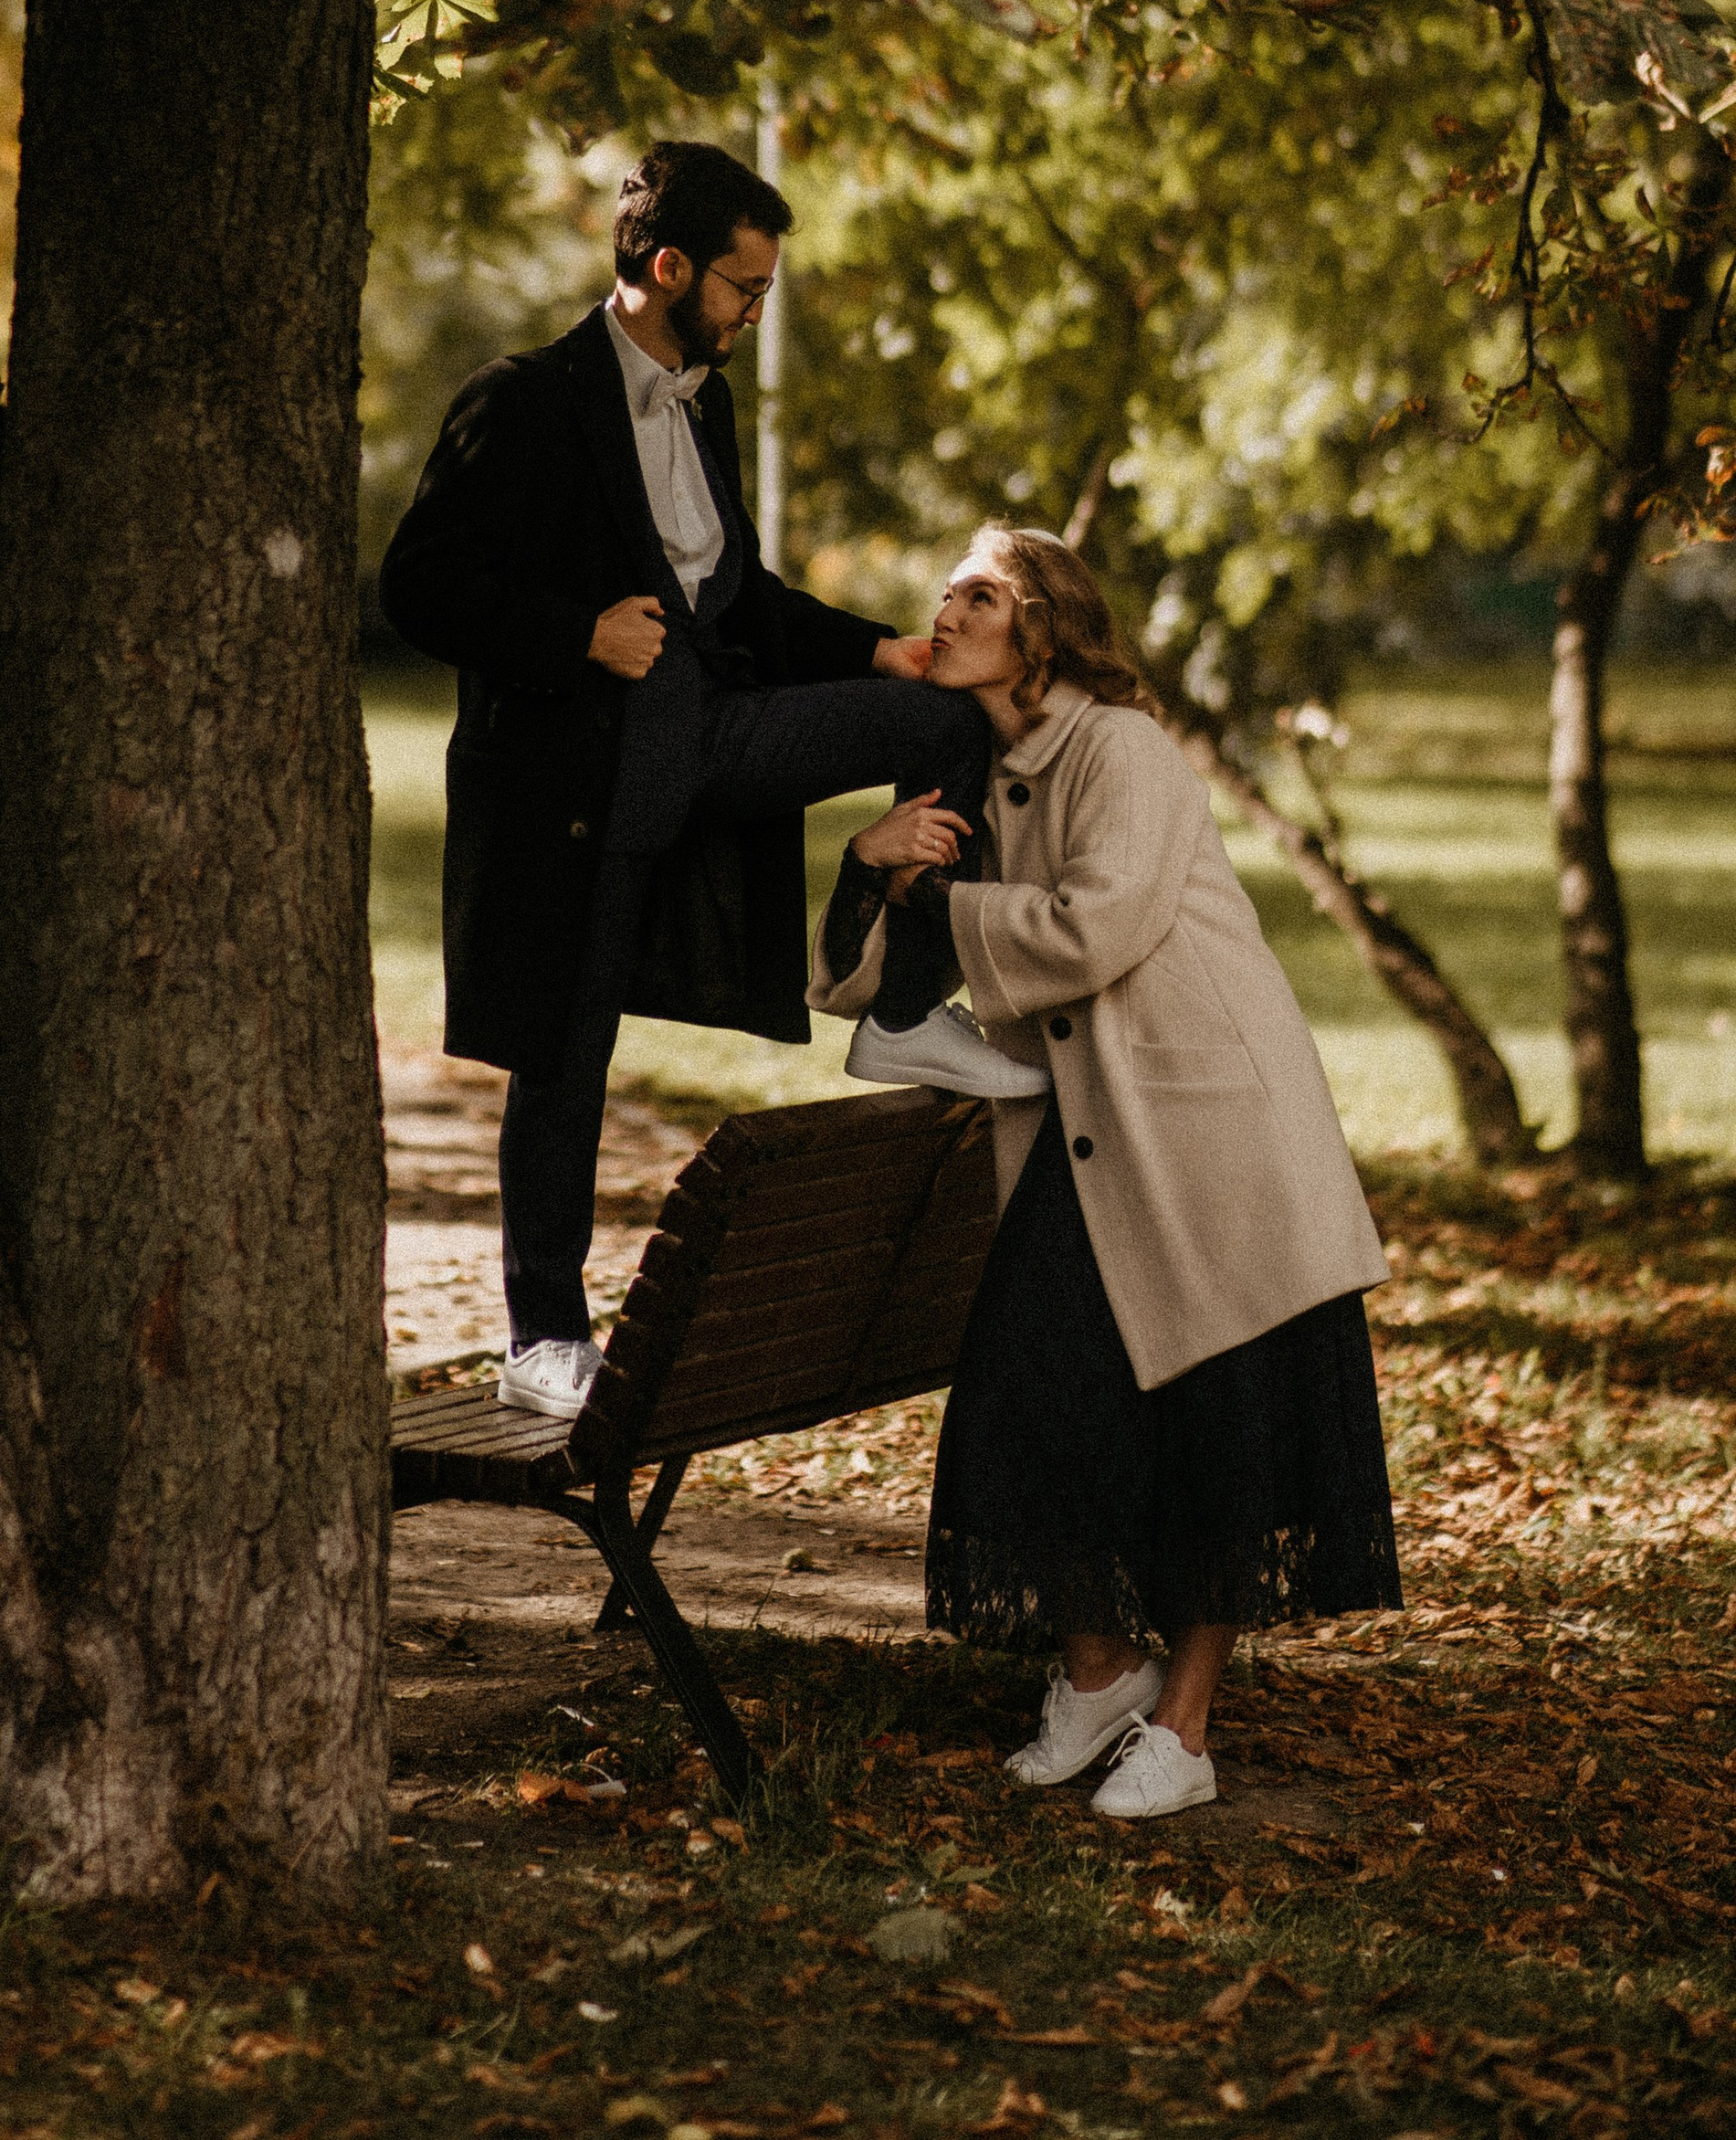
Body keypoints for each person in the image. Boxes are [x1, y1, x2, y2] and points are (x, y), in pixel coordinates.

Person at [380, 140, 998, 1417]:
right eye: (743, 289)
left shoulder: (701, 404)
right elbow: (421, 585)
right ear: (667, 270)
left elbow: (742, 599)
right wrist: (578, 636)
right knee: (569, 1053)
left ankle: (892, 999)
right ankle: (545, 1337)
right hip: (583, 786)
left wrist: (880, 649)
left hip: (717, 736)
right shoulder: (526, 399)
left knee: (943, 725)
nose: (753, 315)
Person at [808, 524, 1400, 1820]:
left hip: (1213, 1130)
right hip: (1092, 1135)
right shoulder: (982, 759)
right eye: (944, 593)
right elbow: (861, 979)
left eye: (973, 593)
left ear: (1041, 624)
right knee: (1032, 1396)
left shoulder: (1121, 747)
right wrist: (872, 866)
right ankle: (1099, 1673)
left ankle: (1183, 1734)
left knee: (1223, 1428)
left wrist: (939, 906)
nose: (941, 611)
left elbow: (1099, 924)